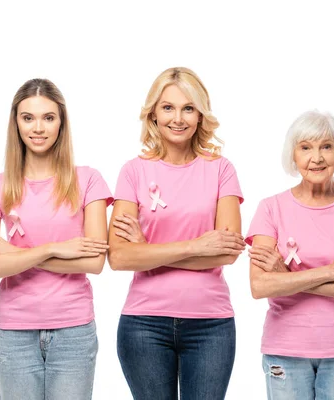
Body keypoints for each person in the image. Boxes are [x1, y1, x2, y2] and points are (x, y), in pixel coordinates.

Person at [108, 67, 246, 400]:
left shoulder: (220, 169)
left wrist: (149, 250)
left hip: (210, 324)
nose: (178, 118)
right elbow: (120, 256)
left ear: (201, 115)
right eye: (168, 107)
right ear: (153, 113)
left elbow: (226, 251)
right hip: (144, 324)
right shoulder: (133, 171)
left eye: (188, 108)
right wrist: (197, 245)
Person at [0, 78, 112, 400]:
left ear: (61, 123)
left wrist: (14, 254)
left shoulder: (88, 180)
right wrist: (54, 249)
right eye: (28, 117)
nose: (38, 127)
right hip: (14, 331)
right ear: (16, 123)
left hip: (73, 329)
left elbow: (93, 261)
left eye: (48, 117)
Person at [246, 110, 334, 400]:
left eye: (326, 146)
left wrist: (287, 278)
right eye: (306, 147)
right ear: (293, 155)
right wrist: (332, 271)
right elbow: (259, 286)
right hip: (285, 348)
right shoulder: (270, 208)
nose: (317, 158)